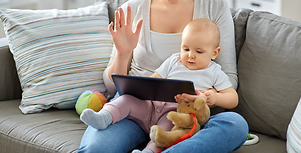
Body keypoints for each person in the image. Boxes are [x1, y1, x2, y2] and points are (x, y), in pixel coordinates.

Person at [78, 0, 248, 153]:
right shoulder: (132, 9)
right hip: (136, 109)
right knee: (95, 150)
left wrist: (207, 97)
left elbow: (229, 79)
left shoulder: (214, 6)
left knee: (235, 125)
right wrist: (122, 52)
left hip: (185, 115)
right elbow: (112, 85)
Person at [80, 18, 239, 153]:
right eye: (186, 48)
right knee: (126, 100)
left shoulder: (214, 72)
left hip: (172, 114)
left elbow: (233, 98)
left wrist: (214, 97)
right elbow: (154, 80)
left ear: (214, 53)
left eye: (199, 51)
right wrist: (139, 87)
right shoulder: (174, 60)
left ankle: (149, 151)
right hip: (150, 106)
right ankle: (103, 117)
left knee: (165, 133)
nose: (190, 55)